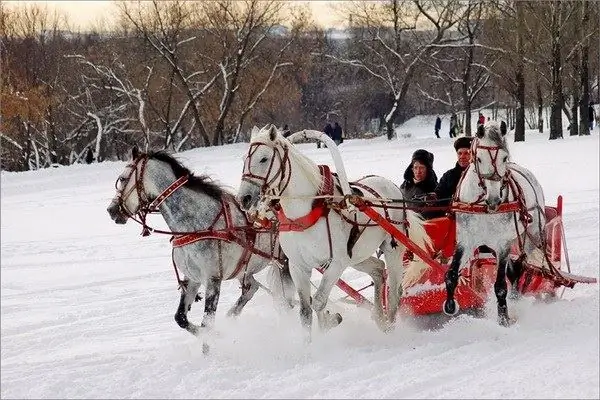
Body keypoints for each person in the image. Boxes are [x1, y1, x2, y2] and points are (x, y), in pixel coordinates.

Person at [400, 149, 441, 219]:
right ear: (412, 168)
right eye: (415, 168)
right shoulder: (404, 186)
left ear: (428, 169)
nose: (418, 171)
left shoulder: (434, 189)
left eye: (421, 168)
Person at [434, 136, 473, 207]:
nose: (462, 156)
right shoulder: (448, 176)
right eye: (460, 153)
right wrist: (451, 203)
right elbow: (439, 197)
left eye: (466, 153)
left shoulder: (481, 176)